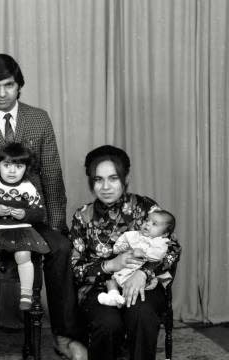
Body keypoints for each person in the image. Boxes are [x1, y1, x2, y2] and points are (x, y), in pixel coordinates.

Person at [0, 53, 85, 359]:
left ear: (19, 86)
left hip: (34, 218)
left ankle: (63, 336)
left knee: (61, 248)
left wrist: (56, 223)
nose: (1, 93)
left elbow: (52, 175)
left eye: (8, 85)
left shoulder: (39, 118)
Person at [69, 145, 182, 360]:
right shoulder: (82, 216)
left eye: (113, 178)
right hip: (100, 288)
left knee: (142, 314)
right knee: (107, 323)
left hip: (142, 283)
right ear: (91, 182)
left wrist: (144, 273)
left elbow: (173, 248)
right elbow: (75, 269)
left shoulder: (145, 207)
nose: (105, 187)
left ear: (125, 178)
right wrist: (110, 265)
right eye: (98, 179)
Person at [0, 143, 51, 311]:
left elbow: (40, 212)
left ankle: (26, 294)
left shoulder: (28, 187)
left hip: (22, 231)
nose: (12, 171)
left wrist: (25, 214)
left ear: (26, 168)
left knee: (23, 256)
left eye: (18, 166)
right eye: (7, 165)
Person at [97, 210, 175, 307]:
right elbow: (121, 241)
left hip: (139, 272)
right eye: (147, 221)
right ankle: (113, 296)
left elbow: (159, 255)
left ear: (165, 234)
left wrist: (144, 253)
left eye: (154, 224)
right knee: (111, 282)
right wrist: (120, 247)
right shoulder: (134, 234)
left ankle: (121, 301)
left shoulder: (161, 242)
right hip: (124, 268)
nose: (148, 225)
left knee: (133, 289)